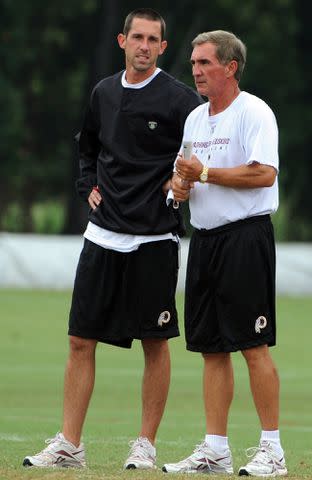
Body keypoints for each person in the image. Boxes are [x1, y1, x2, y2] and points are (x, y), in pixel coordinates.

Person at [22, 8, 202, 470]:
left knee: (154, 342)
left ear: (163, 47)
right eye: (136, 37)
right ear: (122, 41)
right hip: (101, 237)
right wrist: (88, 189)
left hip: (154, 239)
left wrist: (177, 185)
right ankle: (69, 445)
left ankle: (145, 445)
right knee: (80, 340)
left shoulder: (180, 100)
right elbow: (87, 148)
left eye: (153, 39)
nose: (144, 45)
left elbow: (196, 156)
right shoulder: (103, 92)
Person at [162, 30, 287, 477]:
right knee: (211, 348)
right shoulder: (196, 119)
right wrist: (178, 186)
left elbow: (264, 174)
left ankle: (272, 449)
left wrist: (207, 173)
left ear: (230, 67)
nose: (195, 70)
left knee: (253, 344)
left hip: (245, 239)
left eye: (205, 63)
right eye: (194, 63)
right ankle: (216, 448)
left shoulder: (254, 112)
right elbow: (184, 173)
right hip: (206, 240)